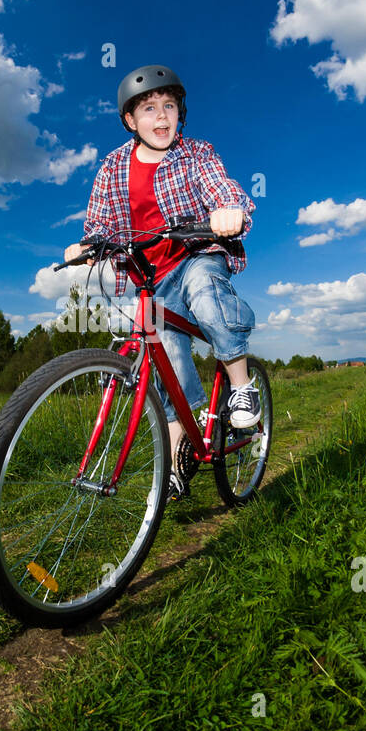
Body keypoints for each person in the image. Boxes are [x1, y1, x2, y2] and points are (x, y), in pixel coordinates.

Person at [64, 64, 259, 503]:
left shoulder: (195, 153)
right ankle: (176, 464)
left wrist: (227, 212)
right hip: (148, 276)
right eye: (149, 108)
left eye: (169, 106)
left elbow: (222, 188)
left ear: (179, 113)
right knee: (168, 366)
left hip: (195, 257)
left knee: (207, 295)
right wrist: (87, 245)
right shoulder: (113, 166)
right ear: (130, 120)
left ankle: (241, 386)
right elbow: (100, 222)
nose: (161, 116)